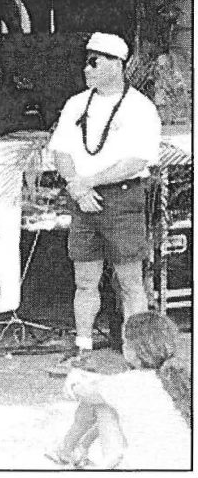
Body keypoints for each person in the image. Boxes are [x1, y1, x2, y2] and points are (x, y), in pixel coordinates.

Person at [46, 32, 161, 373]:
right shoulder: (76, 104)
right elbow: (61, 149)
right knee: (85, 279)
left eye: (95, 62)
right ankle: (83, 348)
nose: (88, 68)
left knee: (130, 281)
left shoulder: (140, 107)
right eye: (87, 61)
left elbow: (138, 160)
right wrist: (76, 188)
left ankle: (139, 354)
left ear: (117, 65)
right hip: (83, 198)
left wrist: (88, 182)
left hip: (122, 197)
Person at [47, 311, 190, 469]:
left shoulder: (127, 383)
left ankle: (66, 449)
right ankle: (75, 448)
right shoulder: (177, 378)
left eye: (125, 343)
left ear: (135, 351)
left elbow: (82, 392)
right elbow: (111, 389)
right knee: (105, 399)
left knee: (101, 404)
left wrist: (74, 378)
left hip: (145, 466)